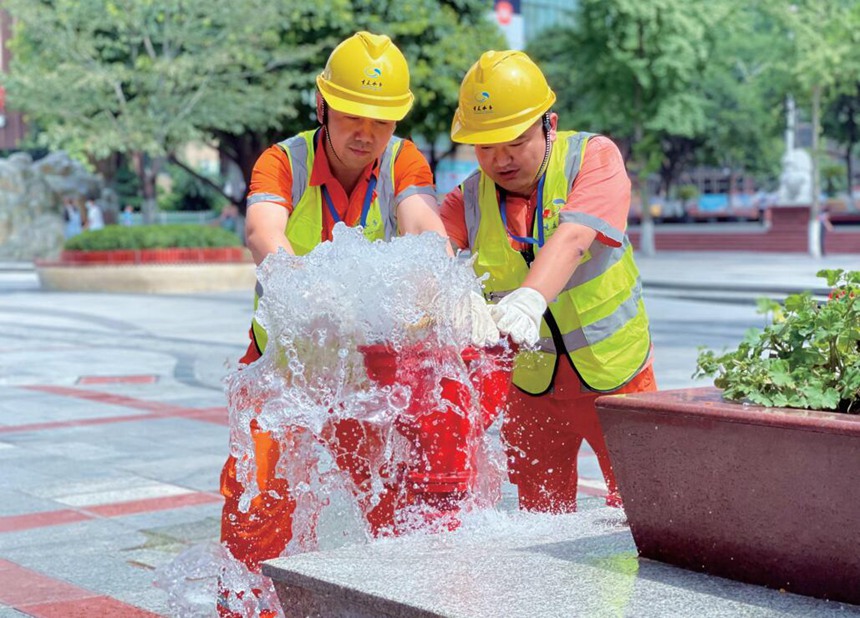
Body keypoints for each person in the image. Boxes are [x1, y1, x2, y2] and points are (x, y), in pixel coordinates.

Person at [217, 32, 495, 617]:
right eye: (351, 116)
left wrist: (451, 283)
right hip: (283, 372)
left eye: (383, 120)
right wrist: (301, 285)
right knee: (257, 510)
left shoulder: (403, 160)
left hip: (363, 376)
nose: (366, 133)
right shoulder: (284, 160)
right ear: (322, 107)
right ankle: (247, 609)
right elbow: (261, 231)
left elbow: (421, 221)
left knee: (388, 501)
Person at [441, 50, 657, 514]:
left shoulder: (592, 157)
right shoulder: (467, 200)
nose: (500, 159)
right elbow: (430, 250)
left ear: (549, 124)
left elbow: (575, 236)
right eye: (485, 147)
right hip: (532, 387)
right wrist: (448, 293)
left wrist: (530, 298)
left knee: (645, 509)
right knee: (539, 522)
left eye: (515, 141)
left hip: (616, 377)